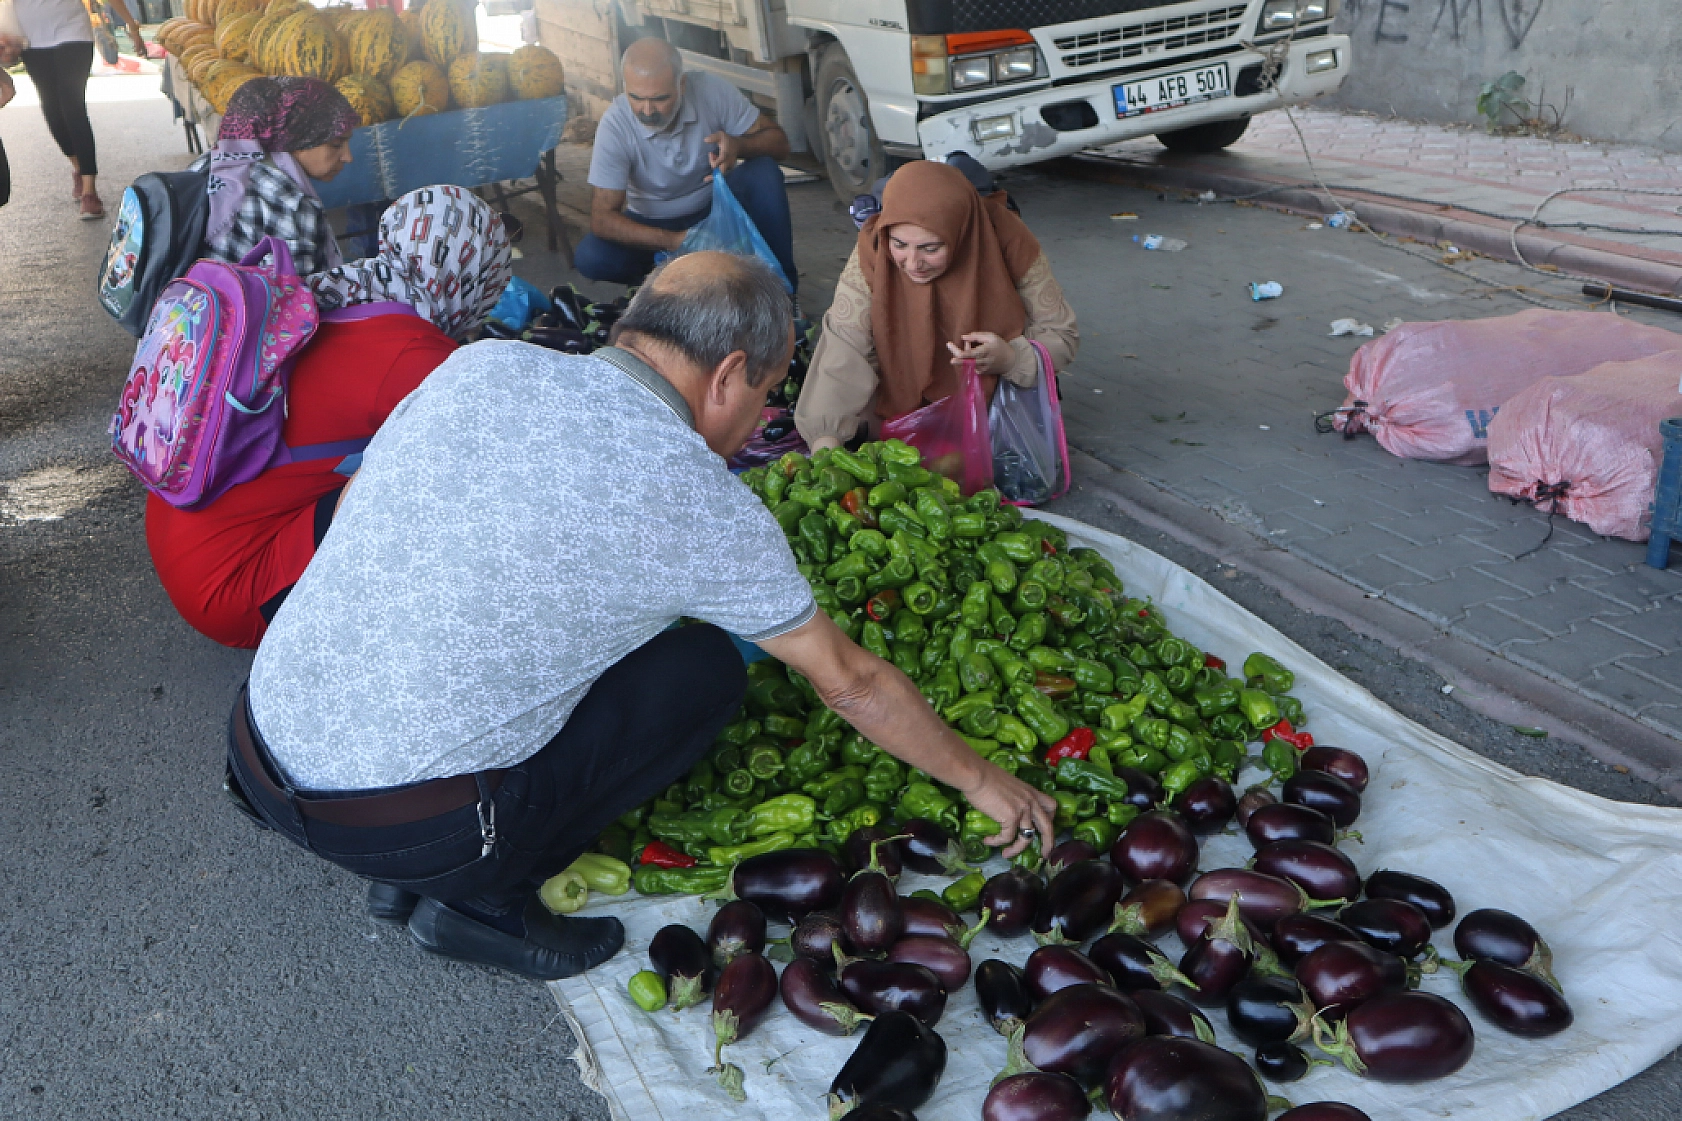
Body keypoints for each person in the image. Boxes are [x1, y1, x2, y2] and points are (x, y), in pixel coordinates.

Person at [225, 251, 1056, 982]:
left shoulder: (482, 367)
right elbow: (852, 684)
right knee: (701, 670)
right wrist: (986, 782)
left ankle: (404, 855)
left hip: (260, 747)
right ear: (729, 374)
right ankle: (479, 906)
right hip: (418, 825)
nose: (758, 423)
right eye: (766, 397)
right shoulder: (692, 496)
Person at [145, 186, 513, 649]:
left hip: (178, 529)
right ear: (471, 280)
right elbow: (499, 459)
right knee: (451, 487)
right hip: (234, 588)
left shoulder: (331, 293)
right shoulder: (418, 356)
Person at [795, 160, 1079, 452]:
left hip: (992, 413)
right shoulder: (875, 246)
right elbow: (844, 342)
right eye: (900, 244)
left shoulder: (1005, 236)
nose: (913, 264)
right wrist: (824, 441)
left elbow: (1061, 335)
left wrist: (1009, 358)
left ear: (961, 235)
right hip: (894, 408)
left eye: (931, 249)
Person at [576, 38, 798, 292]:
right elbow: (602, 219)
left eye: (660, 99)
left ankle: (784, 292)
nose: (647, 111)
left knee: (764, 173)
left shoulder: (710, 91)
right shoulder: (615, 125)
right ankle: (668, 285)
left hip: (714, 210)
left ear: (681, 85)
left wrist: (739, 145)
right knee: (592, 256)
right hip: (653, 226)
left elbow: (780, 145)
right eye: (636, 98)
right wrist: (675, 241)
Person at [197, 76, 358, 275]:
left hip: (187, 301)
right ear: (296, 139)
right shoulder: (289, 203)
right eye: (336, 144)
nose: (348, 157)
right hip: (243, 305)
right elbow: (299, 300)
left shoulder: (210, 163)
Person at [5, 0, 142, 217]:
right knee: (52, 108)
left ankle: (89, 191)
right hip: (30, 39)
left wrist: (131, 25)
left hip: (73, 31)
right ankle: (78, 166)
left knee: (73, 105)